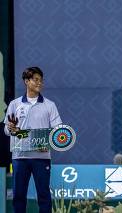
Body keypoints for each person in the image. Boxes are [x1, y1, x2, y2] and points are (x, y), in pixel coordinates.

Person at [4, 67, 62, 213]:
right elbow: (7, 130)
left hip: (41, 157)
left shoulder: (50, 105)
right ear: (26, 81)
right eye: (35, 79)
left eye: (41, 80)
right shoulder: (14, 104)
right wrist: (10, 128)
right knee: (18, 196)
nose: (39, 83)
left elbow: (58, 129)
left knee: (43, 195)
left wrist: (49, 143)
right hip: (19, 157)